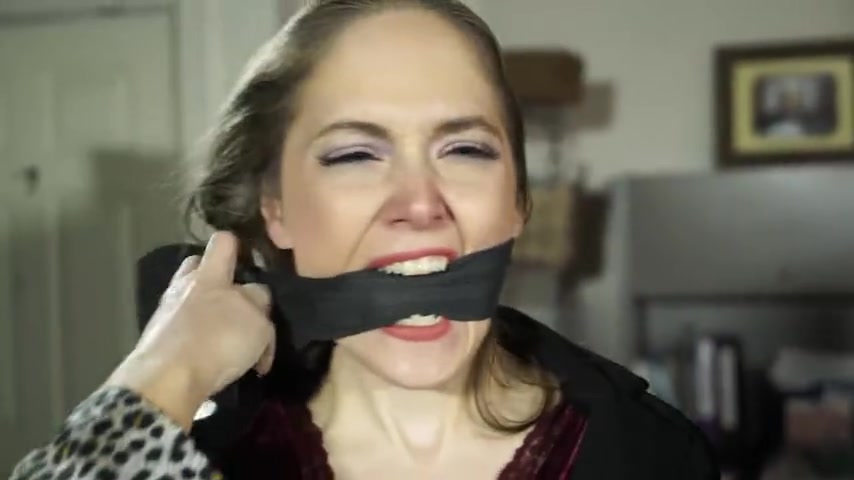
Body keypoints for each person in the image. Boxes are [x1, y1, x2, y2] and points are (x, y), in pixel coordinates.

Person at [9, 0, 719, 478]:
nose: (419, 205)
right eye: (354, 155)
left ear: (518, 203)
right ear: (276, 210)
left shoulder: (651, 455)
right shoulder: (208, 453)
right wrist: (164, 375)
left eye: (465, 149)